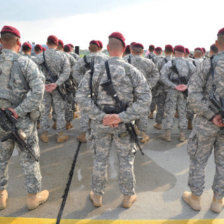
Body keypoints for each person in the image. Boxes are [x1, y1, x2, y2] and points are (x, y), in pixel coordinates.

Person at [76, 32, 151, 208]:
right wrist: (122, 117)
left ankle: (97, 196)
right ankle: (127, 197)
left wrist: (101, 116)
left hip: (100, 124)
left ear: (108, 48)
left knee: (100, 159)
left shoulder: (95, 70)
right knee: (126, 160)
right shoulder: (132, 71)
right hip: (124, 125)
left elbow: (80, 96)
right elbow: (145, 99)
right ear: (124, 49)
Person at [0, 25, 49, 210]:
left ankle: (1, 196)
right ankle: (32, 197)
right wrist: (19, 110)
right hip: (22, 121)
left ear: (1, 42)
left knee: (0, 157)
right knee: (29, 157)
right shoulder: (26, 63)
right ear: (18, 43)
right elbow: (39, 90)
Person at [182, 27, 224, 213]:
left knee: (199, 160)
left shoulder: (207, 64)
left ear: (217, 43)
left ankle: (196, 198)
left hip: (206, 123)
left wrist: (210, 115)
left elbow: (192, 94)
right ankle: (217, 201)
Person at [33, 35, 70, 143]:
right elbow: (66, 72)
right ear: (57, 43)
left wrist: (41, 82)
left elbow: (32, 69)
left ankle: (44, 134)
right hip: (58, 88)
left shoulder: (40, 56)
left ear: (47, 43)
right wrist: (57, 83)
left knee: (45, 111)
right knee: (59, 111)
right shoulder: (63, 56)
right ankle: (60, 134)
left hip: (45, 88)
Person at [72, 40, 108, 143]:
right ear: (100, 48)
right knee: (101, 110)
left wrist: (84, 82)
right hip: (102, 90)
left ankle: (84, 134)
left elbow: (75, 71)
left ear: (89, 48)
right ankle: (101, 134)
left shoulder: (84, 59)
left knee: (85, 111)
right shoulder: (106, 59)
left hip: (87, 90)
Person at [124, 42, 159, 142]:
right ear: (142, 51)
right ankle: (142, 134)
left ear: (131, 50)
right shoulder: (148, 62)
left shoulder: (124, 60)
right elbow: (156, 74)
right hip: (143, 92)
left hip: (128, 92)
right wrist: (149, 86)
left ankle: (129, 132)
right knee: (143, 113)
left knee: (128, 111)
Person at [160, 45, 195, 142]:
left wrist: (173, 85)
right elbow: (195, 78)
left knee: (170, 111)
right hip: (184, 91)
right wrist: (187, 86)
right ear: (184, 53)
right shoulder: (190, 64)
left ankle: (168, 135)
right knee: (182, 112)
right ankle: (182, 135)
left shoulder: (169, 64)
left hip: (172, 90)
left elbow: (162, 77)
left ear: (175, 52)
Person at [153, 44, 173, 130]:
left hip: (161, 87)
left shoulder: (161, 61)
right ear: (172, 52)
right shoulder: (175, 61)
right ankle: (169, 128)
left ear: (164, 51)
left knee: (160, 105)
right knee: (171, 107)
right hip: (172, 88)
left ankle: (159, 123)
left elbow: (156, 73)